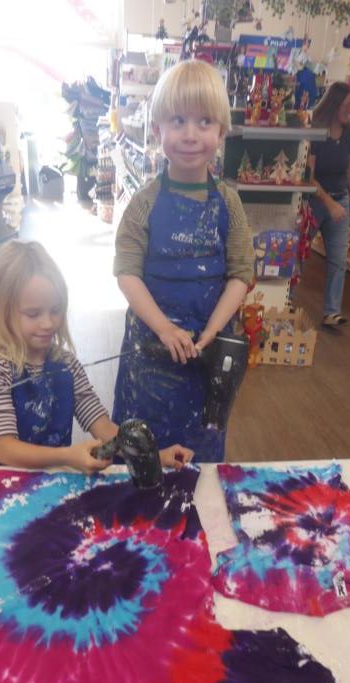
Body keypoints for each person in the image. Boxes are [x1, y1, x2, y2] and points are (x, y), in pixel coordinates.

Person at [112, 59, 254, 462]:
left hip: (208, 354)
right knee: (144, 455)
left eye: (204, 122)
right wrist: (164, 328)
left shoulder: (229, 203)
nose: (190, 135)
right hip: (149, 352)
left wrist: (212, 331)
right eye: (178, 121)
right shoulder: (143, 204)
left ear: (221, 133)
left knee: (201, 457)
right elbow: (127, 272)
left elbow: (241, 274)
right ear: (157, 131)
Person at [0, 240, 193, 472]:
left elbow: (102, 426)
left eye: (55, 310)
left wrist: (154, 456)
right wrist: (67, 456)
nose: (48, 323)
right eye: (33, 314)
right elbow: (5, 449)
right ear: (1, 312)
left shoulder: (66, 364)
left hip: (52, 477)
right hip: (0, 479)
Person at [309, 81, 350, 327]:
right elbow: (308, 175)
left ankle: (332, 312)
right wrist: (329, 204)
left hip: (341, 199)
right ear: (335, 104)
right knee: (298, 253)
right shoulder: (316, 131)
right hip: (315, 200)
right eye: (348, 104)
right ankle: (286, 301)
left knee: (339, 261)